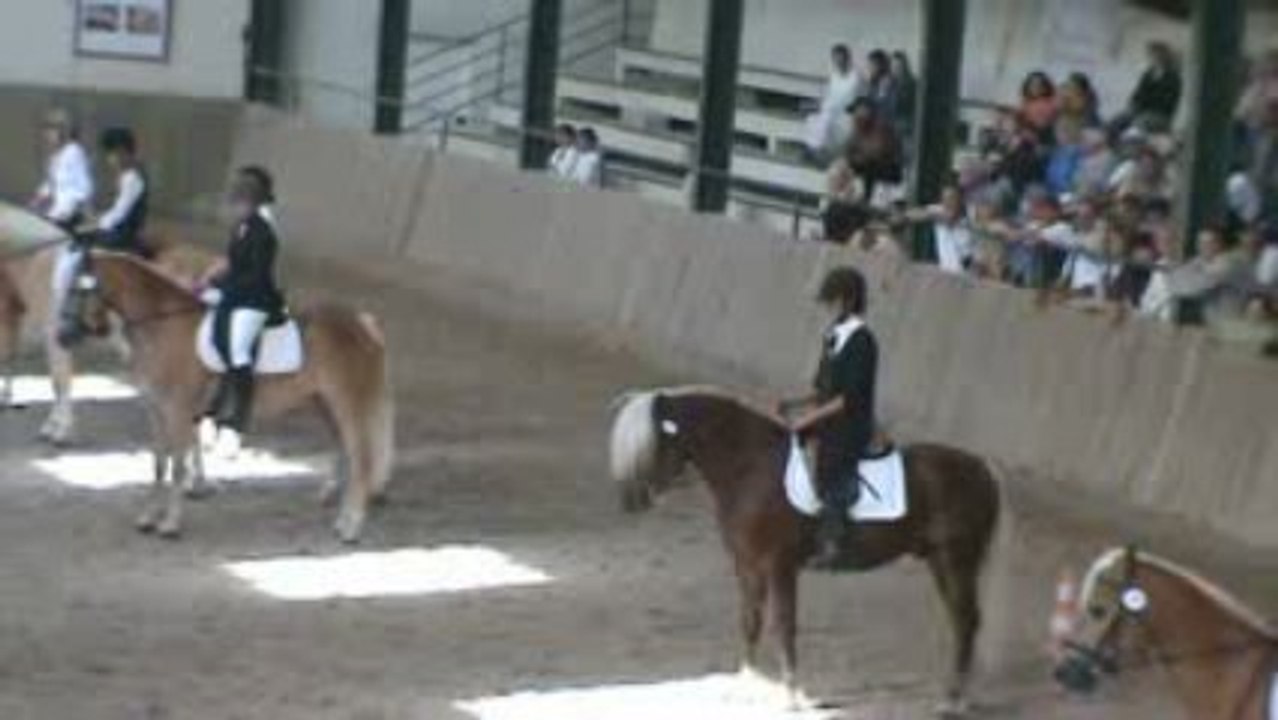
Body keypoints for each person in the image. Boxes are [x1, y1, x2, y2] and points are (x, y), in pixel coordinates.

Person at [779, 267, 878, 570]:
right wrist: (792, 403)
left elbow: (846, 400)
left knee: (832, 467)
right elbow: (821, 389)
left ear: (848, 301)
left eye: (831, 301)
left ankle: (837, 542)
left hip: (850, 423)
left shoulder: (862, 341)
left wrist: (807, 420)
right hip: (829, 417)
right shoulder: (833, 336)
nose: (827, 308)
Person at [198, 166, 286, 455]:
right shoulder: (241, 227)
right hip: (236, 295)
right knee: (215, 336)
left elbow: (258, 274)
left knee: (238, 351)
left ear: (253, 200)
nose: (235, 204)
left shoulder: (264, 232)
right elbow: (233, 264)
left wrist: (227, 288)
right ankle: (212, 409)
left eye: (240, 199)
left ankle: (237, 424)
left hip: (255, 300)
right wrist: (210, 282)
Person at [86, 127, 149, 256]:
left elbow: (120, 213)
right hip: (120, 232)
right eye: (109, 154)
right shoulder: (126, 176)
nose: (110, 159)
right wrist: (99, 219)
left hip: (124, 237)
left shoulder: (132, 178)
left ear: (123, 152)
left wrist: (98, 224)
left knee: (81, 243)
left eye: (112, 154)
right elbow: (116, 210)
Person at [29, 108, 94, 231]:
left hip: (68, 216)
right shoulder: (56, 156)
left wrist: (74, 210)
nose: (48, 135)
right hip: (57, 213)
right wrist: (34, 203)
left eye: (53, 129)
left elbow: (84, 188)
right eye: (47, 130)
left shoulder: (74, 152)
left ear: (66, 131)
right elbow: (48, 185)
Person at [804, 44, 863, 158]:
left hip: (846, 114)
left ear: (847, 59)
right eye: (836, 60)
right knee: (812, 118)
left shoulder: (856, 77)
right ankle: (814, 151)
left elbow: (857, 99)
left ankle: (822, 151)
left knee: (827, 121)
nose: (839, 63)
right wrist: (820, 104)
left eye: (841, 59)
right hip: (831, 110)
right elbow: (828, 95)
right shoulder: (834, 76)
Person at [842, 97, 902, 203]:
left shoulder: (881, 128)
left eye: (858, 113)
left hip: (884, 178)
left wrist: (858, 157)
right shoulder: (856, 132)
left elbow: (875, 155)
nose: (854, 117)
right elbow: (849, 154)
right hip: (863, 176)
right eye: (854, 113)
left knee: (869, 168)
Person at [1114, 41, 1182, 135]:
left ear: (1164, 57)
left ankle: (1132, 145)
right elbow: (1137, 93)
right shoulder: (1148, 74)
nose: (1154, 59)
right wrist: (1133, 105)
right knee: (1119, 120)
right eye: (1152, 56)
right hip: (1142, 111)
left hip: (1160, 115)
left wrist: (1145, 102)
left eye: (1157, 56)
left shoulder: (1172, 77)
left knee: (1138, 125)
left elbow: (1166, 102)